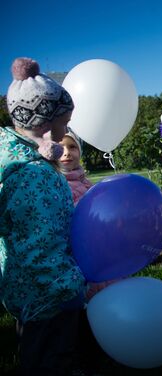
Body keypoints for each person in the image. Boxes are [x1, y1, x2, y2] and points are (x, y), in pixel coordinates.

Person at [0, 57, 87, 375]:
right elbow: (43, 249)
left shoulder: (11, 159)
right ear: (48, 123)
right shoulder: (36, 176)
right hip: (48, 297)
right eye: (65, 120)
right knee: (51, 361)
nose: (68, 127)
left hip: (22, 291)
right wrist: (72, 284)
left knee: (35, 358)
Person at [59, 130, 92, 205]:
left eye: (72, 147)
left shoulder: (85, 182)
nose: (67, 153)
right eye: (60, 147)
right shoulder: (54, 184)